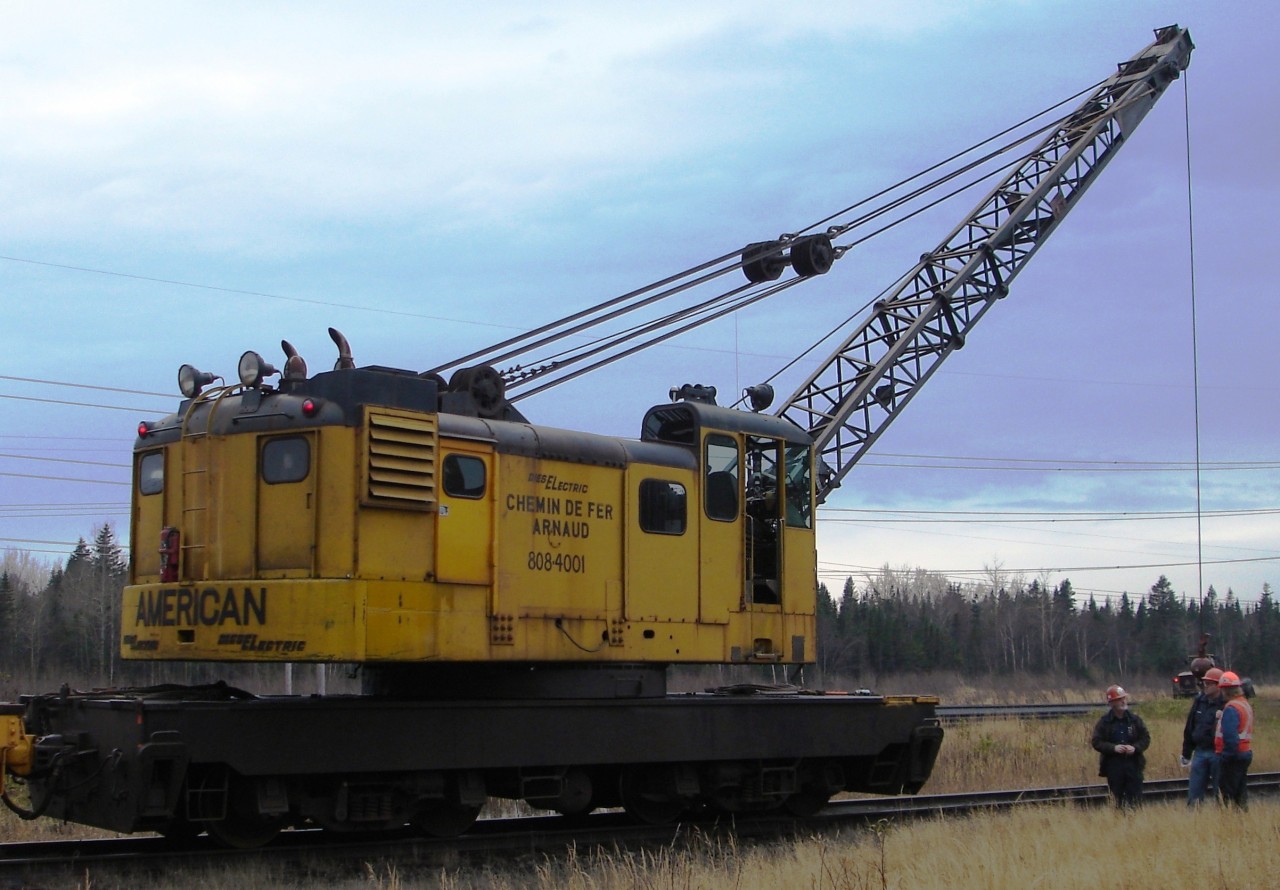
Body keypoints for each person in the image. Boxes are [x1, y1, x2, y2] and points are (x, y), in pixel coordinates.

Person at [1092, 684, 1150, 807]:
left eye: (1124, 698)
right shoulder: (1104, 722)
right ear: (1112, 703)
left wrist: (1135, 748)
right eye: (1119, 699)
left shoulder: (1134, 720)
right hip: (1114, 765)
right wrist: (1113, 748)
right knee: (1118, 799)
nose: (1123, 701)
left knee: (1135, 799)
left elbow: (1145, 738)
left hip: (1134, 764)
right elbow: (1097, 742)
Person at [1181, 666, 1224, 805]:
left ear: (1218, 686)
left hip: (1218, 753)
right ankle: (1194, 819)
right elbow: (1190, 727)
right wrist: (1186, 753)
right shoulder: (1199, 701)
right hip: (1199, 752)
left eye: (1209, 683)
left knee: (1221, 791)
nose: (1205, 686)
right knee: (1194, 793)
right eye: (1205, 683)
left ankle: (1225, 818)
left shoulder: (1226, 704)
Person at [1215, 670, 1254, 809]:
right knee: (1240, 794)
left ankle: (1229, 823)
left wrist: (1225, 758)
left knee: (1227, 796)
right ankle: (1241, 821)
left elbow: (1230, 738)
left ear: (1225, 690)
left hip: (1233, 756)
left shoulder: (1231, 708)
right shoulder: (1244, 704)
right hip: (1244, 753)